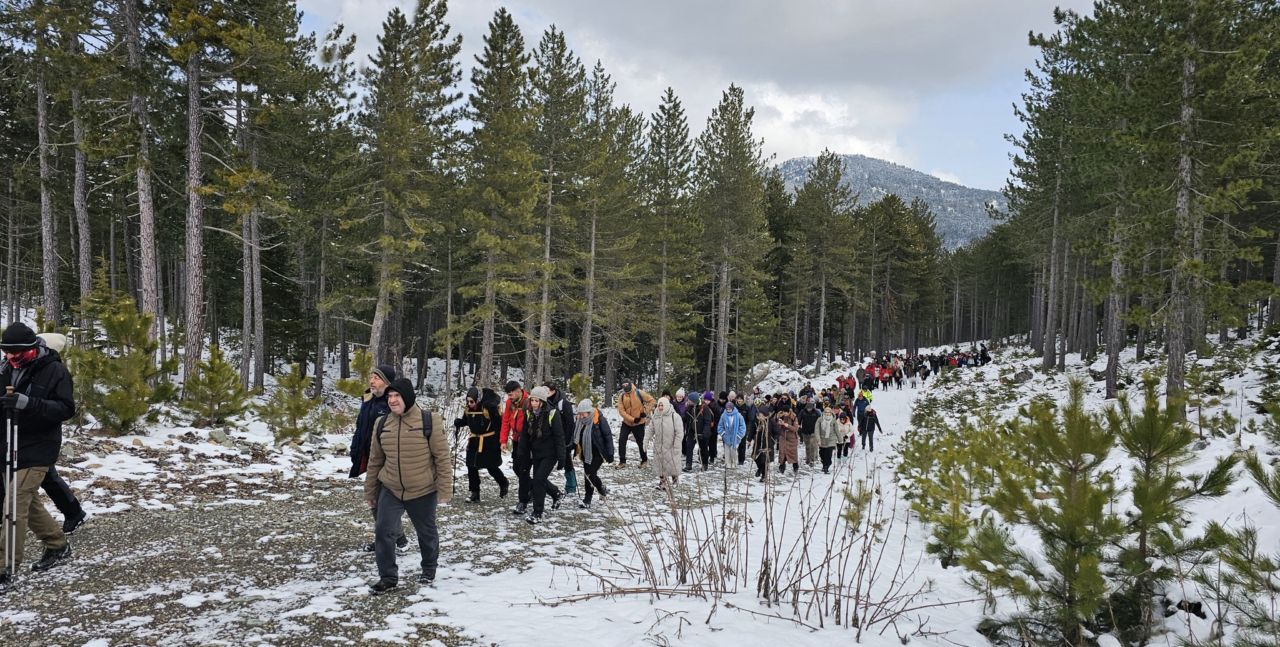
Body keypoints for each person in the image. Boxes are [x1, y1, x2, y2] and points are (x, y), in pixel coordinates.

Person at [0, 322, 75, 587]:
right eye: (6, 352)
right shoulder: (5, 368)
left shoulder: (54, 370)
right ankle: (57, 545)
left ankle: (5, 568)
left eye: (16, 352)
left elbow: (66, 409)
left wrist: (29, 404)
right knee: (26, 503)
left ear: (31, 348)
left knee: (14, 504)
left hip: (39, 447)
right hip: (8, 445)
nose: (11, 357)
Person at [364, 378, 451, 593]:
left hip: (422, 489)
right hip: (391, 488)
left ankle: (429, 569)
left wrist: (445, 489)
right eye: (390, 397)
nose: (392, 400)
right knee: (383, 531)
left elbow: (442, 457)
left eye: (397, 396)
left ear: (408, 397)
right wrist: (370, 491)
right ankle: (388, 578)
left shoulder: (430, 420)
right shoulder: (382, 423)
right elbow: (375, 460)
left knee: (426, 533)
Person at [349, 364, 407, 552]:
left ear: (387, 383)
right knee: (373, 500)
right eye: (372, 377)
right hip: (371, 459)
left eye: (376, 378)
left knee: (384, 503)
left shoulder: (393, 403)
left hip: (388, 461)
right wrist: (355, 449)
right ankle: (395, 538)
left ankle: (392, 540)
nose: (371, 381)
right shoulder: (368, 401)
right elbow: (360, 428)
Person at [453, 386, 509, 503]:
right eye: (467, 401)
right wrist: (460, 422)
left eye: (472, 401)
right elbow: (466, 421)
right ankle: (475, 493)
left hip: (489, 441)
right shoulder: (468, 409)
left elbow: (499, 424)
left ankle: (503, 483)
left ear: (477, 399)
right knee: (471, 466)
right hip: (474, 440)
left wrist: (500, 441)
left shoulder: (489, 408)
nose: (469, 404)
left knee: (491, 467)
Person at [518, 386, 564, 524]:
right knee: (540, 480)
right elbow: (525, 435)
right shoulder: (529, 413)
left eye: (536, 401)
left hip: (550, 454)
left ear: (542, 402)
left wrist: (562, 457)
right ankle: (556, 493)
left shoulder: (552, 414)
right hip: (536, 453)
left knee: (538, 480)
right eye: (532, 400)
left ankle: (538, 512)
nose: (533, 404)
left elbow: (559, 436)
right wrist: (521, 451)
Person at [571, 399, 614, 508]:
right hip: (586, 452)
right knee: (590, 474)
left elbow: (608, 436)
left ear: (589, 412)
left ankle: (587, 498)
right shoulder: (580, 421)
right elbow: (575, 437)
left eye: (583, 413)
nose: (581, 416)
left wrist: (610, 453)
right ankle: (601, 489)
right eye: (579, 414)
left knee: (589, 474)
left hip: (598, 453)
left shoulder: (599, 420)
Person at [500, 381, 532, 516]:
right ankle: (548, 490)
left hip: (528, 441)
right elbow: (506, 421)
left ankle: (523, 502)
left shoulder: (529, 401)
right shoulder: (509, 403)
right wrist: (503, 441)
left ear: (519, 390)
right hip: (516, 440)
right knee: (516, 468)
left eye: (511, 394)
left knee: (524, 471)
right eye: (508, 395)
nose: (509, 397)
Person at [544, 382, 577, 495]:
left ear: (553, 391)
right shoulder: (543, 402)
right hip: (549, 438)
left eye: (547, 390)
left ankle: (571, 486)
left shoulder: (564, 403)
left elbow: (570, 424)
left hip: (563, 438)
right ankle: (541, 483)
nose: (546, 392)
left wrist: (566, 441)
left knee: (567, 462)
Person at [615, 380, 654, 468]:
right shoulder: (621, 396)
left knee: (641, 442)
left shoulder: (639, 392)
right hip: (627, 423)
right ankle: (622, 462)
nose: (626, 391)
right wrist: (632, 419)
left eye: (627, 387)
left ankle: (644, 460)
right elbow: (621, 411)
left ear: (630, 385)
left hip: (639, 423)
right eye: (624, 388)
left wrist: (645, 411)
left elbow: (652, 401)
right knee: (622, 440)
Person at [648, 396, 683, 490]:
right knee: (660, 464)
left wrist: (676, 445)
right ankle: (662, 483)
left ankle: (675, 480)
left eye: (662, 405)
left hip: (671, 445)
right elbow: (650, 429)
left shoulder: (675, 416)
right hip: (659, 445)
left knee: (672, 464)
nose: (660, 407)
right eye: (659, 405)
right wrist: (645, 440)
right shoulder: (656, 416)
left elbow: (679, 433)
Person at [717, 397, 746, 470]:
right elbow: (720, 426)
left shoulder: (738, 415)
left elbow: (742, 426)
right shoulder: (723, 415)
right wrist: (723, 434)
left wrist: (739, 435)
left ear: (732, 408)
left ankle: (734, 463)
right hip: (726, 436)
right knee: (727, 451)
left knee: (734, 451)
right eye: (727, 409)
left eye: (730, 409)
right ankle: (728, 464)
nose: (728, 410)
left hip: (735, 437)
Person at [672, 388, 697, 473]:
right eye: (677, 397)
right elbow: (685, 417)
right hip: (687, 427)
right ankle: (688, 464)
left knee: (702, 447)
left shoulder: (700, 407)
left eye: (681, 397)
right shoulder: (686, 407)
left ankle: (704, 463)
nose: (679, 398)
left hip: (695, 429)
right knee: (688, 446)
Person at [775, 398, 800, 475]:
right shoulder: (781, 416)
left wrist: (787, 425)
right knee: (782, 453)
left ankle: (795, 467)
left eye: (786, 412)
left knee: (793, 454)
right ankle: (781, 467)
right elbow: (776, 426)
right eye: (784, 412)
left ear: (789, 411)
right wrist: (778, 422)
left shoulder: (794, 417)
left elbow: (795, 428)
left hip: (792, 438)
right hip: (783, 437)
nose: (785, 414)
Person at [695, 391, 719, 470]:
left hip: (712, 428)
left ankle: (712, 457)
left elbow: (717, 418)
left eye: (708, 400)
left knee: (712, 444)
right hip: (704, 429)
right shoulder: (701, 406)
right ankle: (702, 458)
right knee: (703, 445)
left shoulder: (714, 406)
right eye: (705, 400)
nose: (706, 401)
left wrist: (715, 429)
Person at [816, 404, 840, 473]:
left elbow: (837, 431)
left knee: (828, 454)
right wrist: (818, 439)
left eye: (828, 412)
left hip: (831, 440)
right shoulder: (820, 420)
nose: (827, 413)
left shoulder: (834, 420)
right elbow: (817, 430)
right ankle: (824, 465)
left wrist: (840, 439)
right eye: (826, 412)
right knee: (822, 454)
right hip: (822, 439)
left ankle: (826, 466)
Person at [798, 398, 821, 468]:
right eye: (808, 408)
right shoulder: (803, 412)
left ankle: (812, 460)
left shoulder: (816, 412)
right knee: (807, 446)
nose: (809, 410)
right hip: (805, 431)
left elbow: (820, 421)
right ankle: (808, 459)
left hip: (813, 432)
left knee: (812, 445)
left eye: (810, 408)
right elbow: (799, 419)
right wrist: (798, 425)